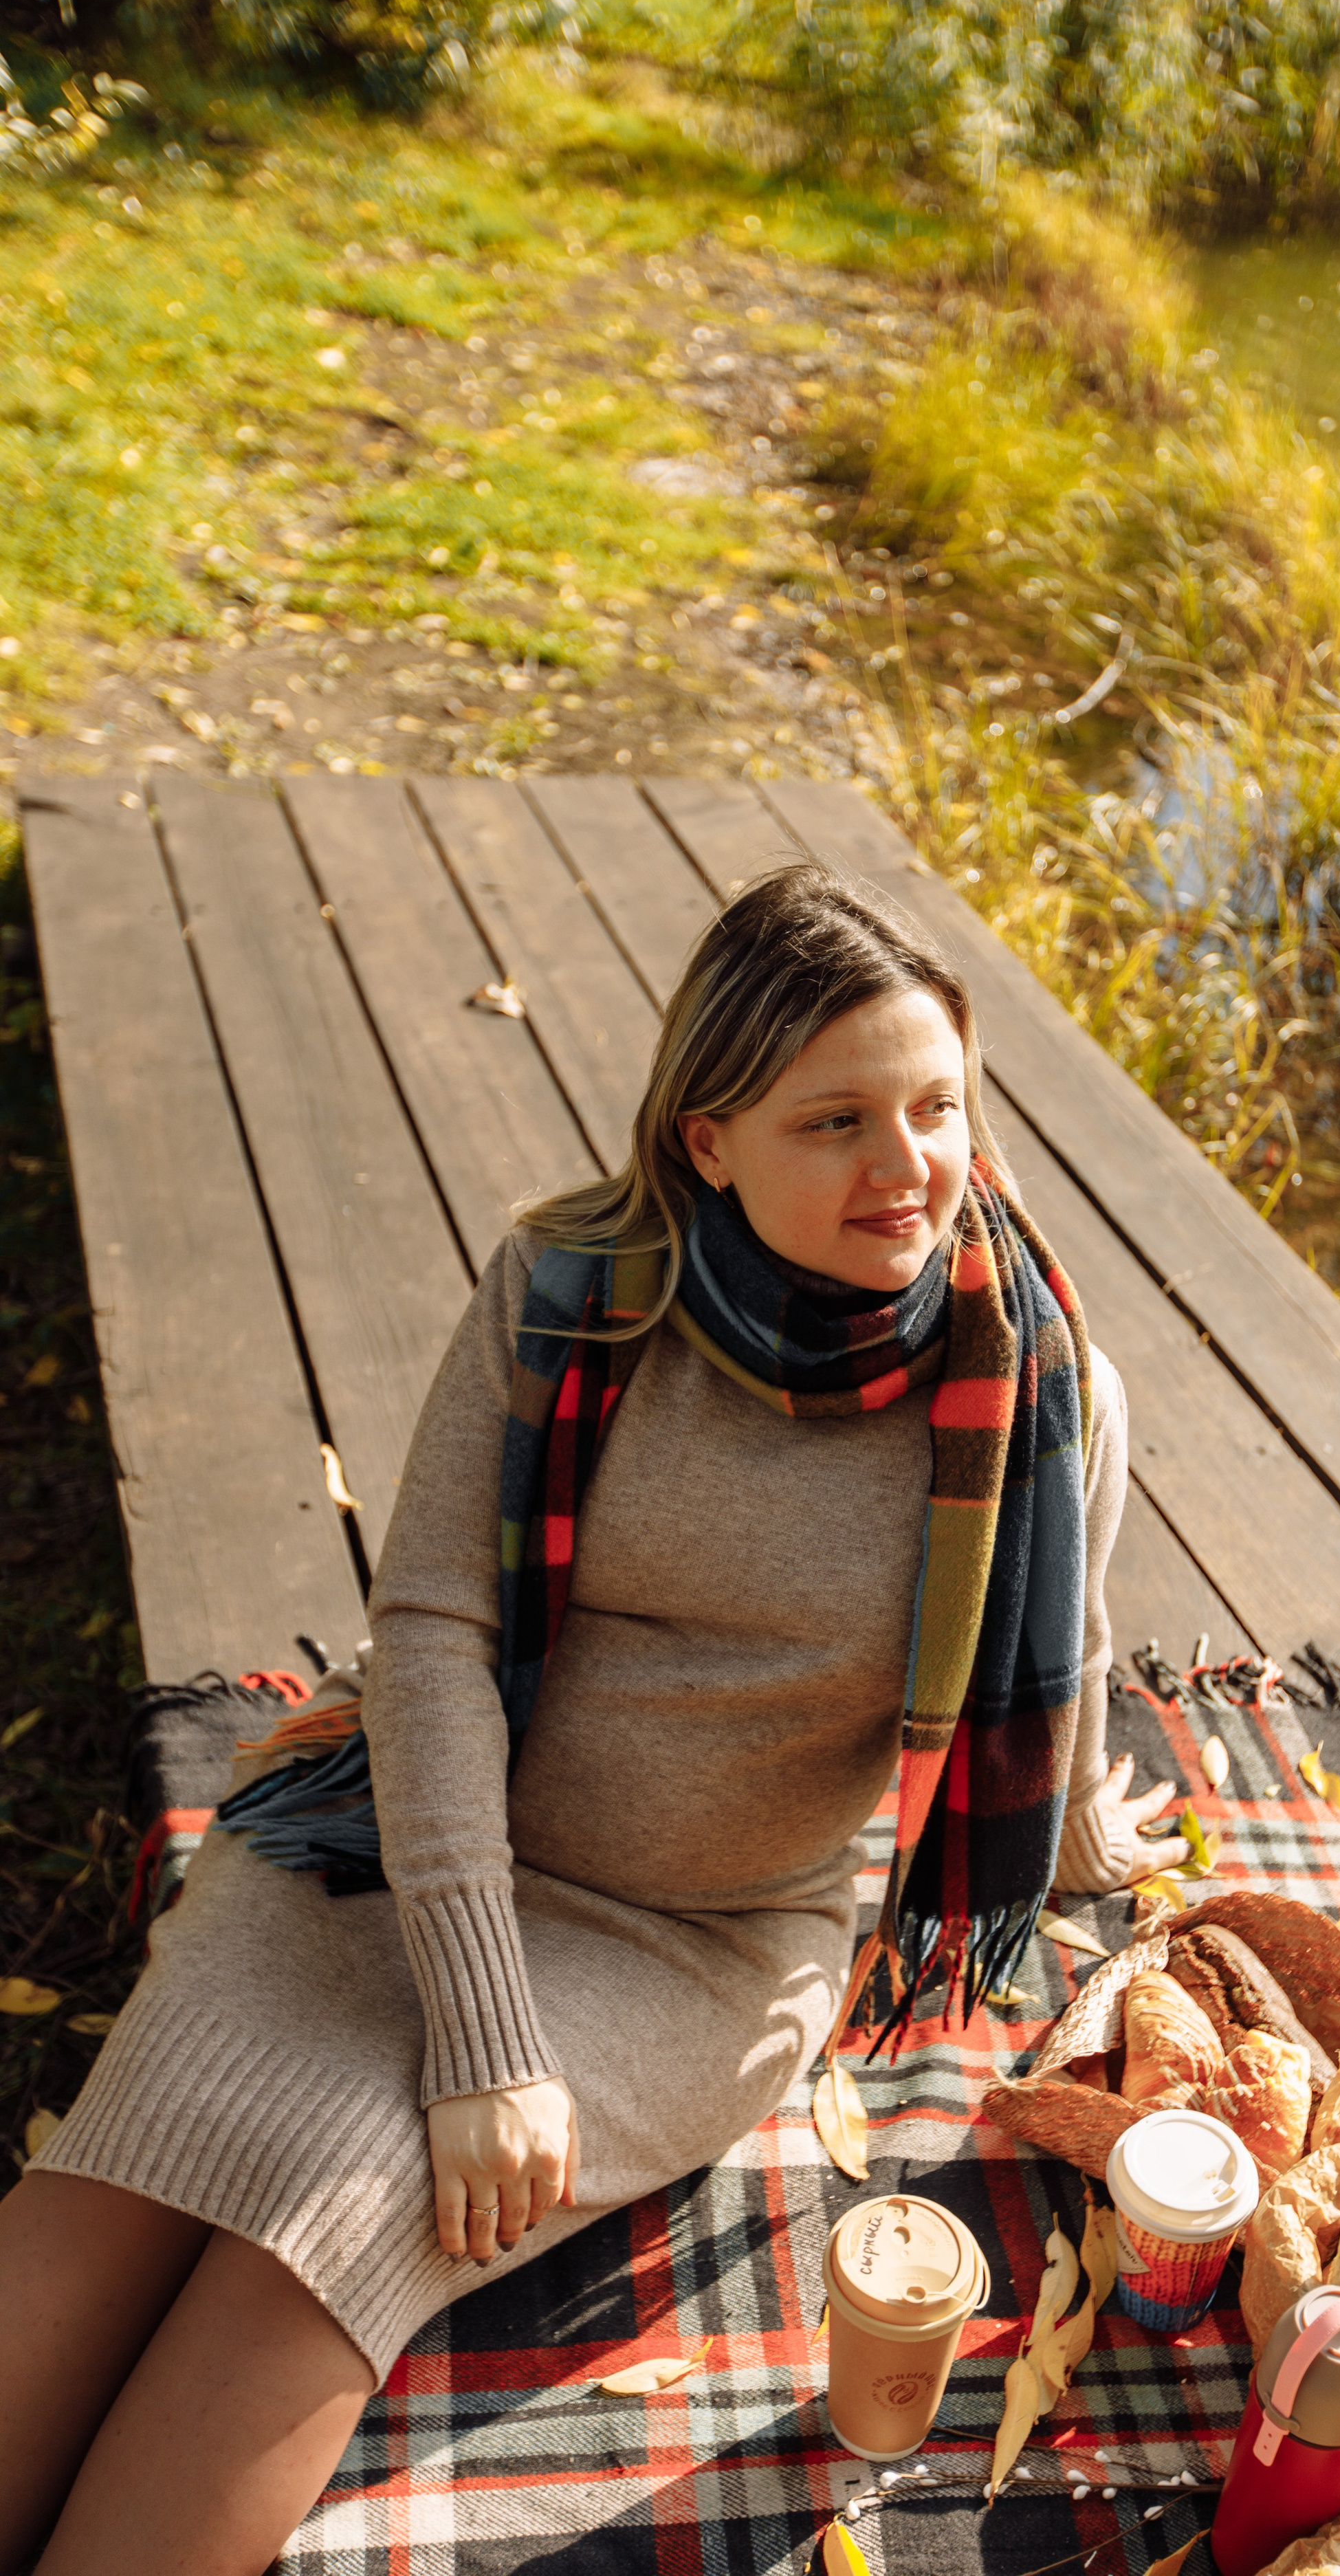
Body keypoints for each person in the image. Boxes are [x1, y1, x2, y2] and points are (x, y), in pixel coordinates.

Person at [0, 865, 1185, 2576]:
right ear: (706, 1138)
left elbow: (1048, 1651)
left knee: (338, 2204)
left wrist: (1067, 1835)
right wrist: (479, 2024)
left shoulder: (1034, 1384)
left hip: (691, 1946)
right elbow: (425, 1638)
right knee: (137, 2155)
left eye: (935, 1106)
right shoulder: (571, 1294)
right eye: (833, 1119)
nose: (906, 1167)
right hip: (403, 1838)